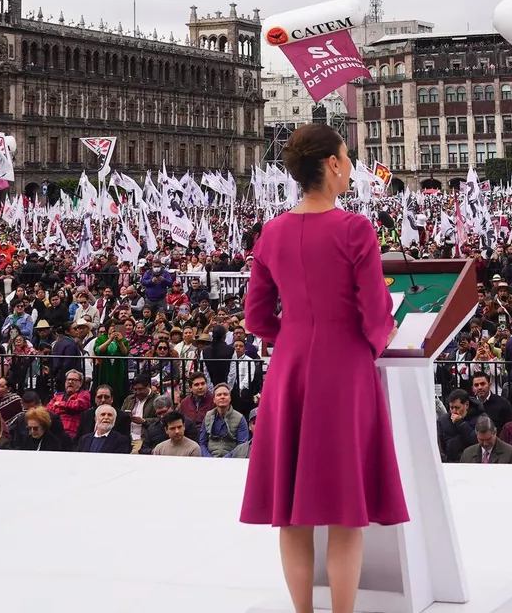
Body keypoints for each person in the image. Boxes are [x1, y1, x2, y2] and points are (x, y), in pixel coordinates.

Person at [240, 124, 410, 613]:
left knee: (291, 514)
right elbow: (376, 314)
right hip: (345, 371)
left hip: (289, 370)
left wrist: (293, 336)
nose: (352, 166)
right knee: (343, 510)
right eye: (347, 157)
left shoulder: (271, 232)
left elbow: (255, 317)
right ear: (332, 165)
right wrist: (381, 337)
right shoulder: (355, 229)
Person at [201, 383, 251, 458]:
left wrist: (226, 459)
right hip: (210, 459)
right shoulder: (208, 416)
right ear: (214, 400)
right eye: (219, 395)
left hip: (233, 459)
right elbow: (202, 442)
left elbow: (242, 445)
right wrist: (208, 458)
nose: (222, 397)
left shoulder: (240, 418)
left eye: (225, 394)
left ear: (230, 398)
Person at [438, 389, 480, 463]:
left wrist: (461, 423)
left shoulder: (479, 418)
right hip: (450, 462)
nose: (453, 411)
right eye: (451, 408)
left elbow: (476, 440)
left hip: (471, 462)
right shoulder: (443, 420)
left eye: (457, 408)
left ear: (466, 405)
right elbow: (440, 444)